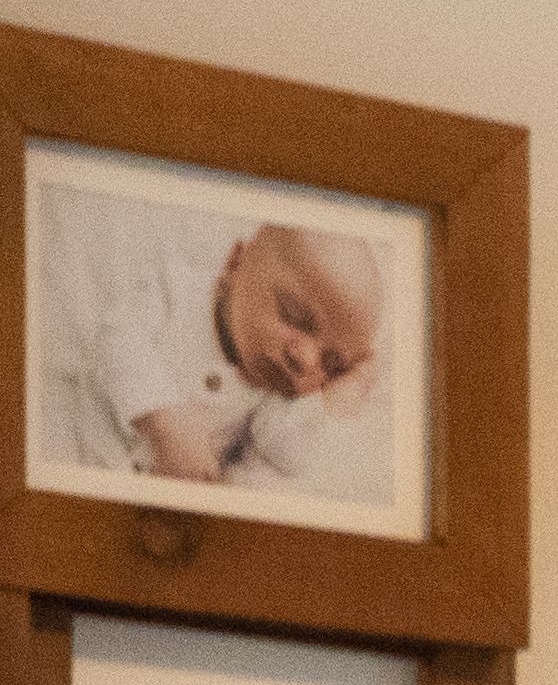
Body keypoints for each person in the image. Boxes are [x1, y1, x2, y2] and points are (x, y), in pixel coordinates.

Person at [25, 190, 394, 508]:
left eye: (331, 364)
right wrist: (163, 423)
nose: (305, 358)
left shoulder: (277, 396)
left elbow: (284, 454)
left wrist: (338, 400)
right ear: (236, 263)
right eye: (295, 314)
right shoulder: (175, 291)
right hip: (78, 445)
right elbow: (118, 338)